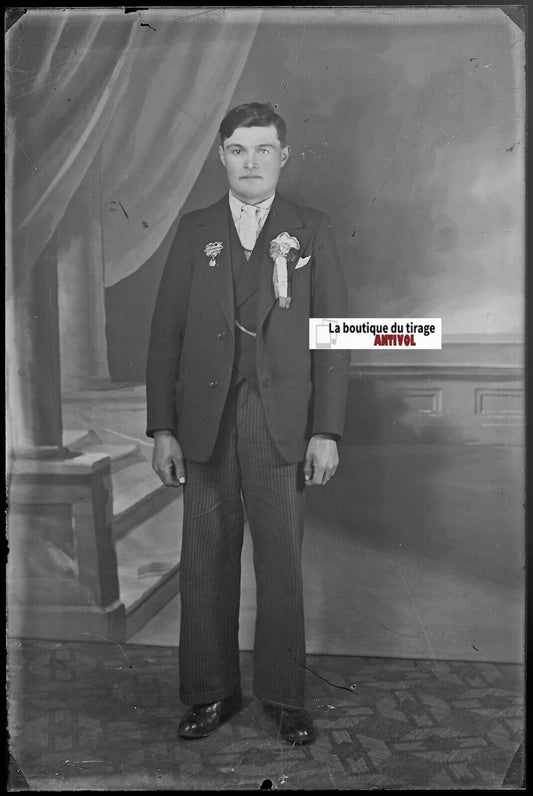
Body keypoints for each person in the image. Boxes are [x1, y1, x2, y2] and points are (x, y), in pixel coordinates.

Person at [146, 102, 349, 745]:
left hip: (282, 421)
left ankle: (285, 698)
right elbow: (164, 339)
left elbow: (334, 340)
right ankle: (210, 693)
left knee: (280, 564)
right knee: (205, 560)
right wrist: (162, 429)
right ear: (222, 155)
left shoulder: (310, 230)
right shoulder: (194, 230)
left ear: (283, 157)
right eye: (238, 150)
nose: (251, 161)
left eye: (264, 149)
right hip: (204, 423)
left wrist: (327, 430)